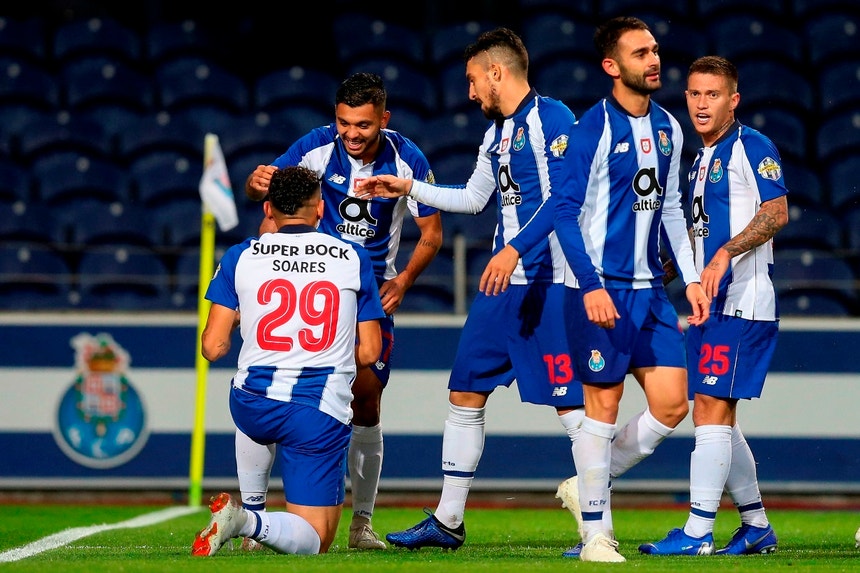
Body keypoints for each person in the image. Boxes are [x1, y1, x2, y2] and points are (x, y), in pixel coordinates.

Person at [355, 26, 585, 550]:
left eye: (473, 80)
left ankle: (596, 524)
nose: (470, 92)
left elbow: (563, 201)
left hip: (548, 281)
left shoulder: (554, 120)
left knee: (571, 406)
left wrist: (514, 248)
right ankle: (448, 520)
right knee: (464, 391)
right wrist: (407, 187)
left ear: (496, 73)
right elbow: (476, 197)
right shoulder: (497, 134)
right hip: (502, 288)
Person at [242, 72, 443, 550]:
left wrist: (403, 280)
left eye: (363, 126)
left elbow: (432, 235)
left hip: (368, 296)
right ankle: (252, 513)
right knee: (274, 388)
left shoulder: (407, 158)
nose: (351, 134)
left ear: (384, 120)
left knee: (366, 400)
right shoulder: (314, 148)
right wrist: (253, 186)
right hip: (313, 290)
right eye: (344, 123)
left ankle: (361, 522)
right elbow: (271, 201)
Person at [552, 16, 711, 562]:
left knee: (672, 405)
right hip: (601, 291)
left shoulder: (668, 126)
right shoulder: (590, 129)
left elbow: (669, 209)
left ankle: (586, 484)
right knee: (603, 404)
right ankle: (597, 534)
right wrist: (590, 285)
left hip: (651, 293)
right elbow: (564, 214)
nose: (654, 60)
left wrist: (690, 281)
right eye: (640, 53)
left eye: (655, 50)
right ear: (611, 67)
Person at [192, 165, 386, 556]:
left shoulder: (240, 256)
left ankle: (253, 509)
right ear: (319, 210)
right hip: (315, 410)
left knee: (248, 382)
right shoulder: (351, 257)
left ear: (269, 210)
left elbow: (212, 347)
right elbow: (369, 352)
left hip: (251, 404)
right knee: (318, 538)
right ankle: (247, 520)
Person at [638, 55, 787, 556]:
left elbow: (776, 211)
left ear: (733, 100)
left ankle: (699, 531)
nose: (702, 104)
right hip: (710, 307)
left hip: (744, 303)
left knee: (710, 409)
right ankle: (756, 525)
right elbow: (698, 234)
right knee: (717, 416)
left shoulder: (752, 146)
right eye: (695, 94)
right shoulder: (700, 158)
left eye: (713, 94)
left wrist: (726, 252)